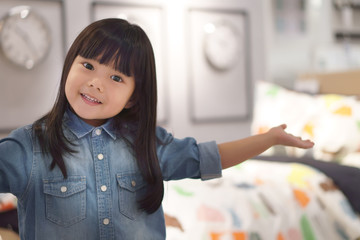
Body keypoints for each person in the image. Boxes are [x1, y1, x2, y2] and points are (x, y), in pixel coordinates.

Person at [0, 18, 314, 240]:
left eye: (117, 78)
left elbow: (208, 157)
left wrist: (269, 138)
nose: (96, 82)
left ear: (134, 96)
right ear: (70, 65)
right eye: (88, 65)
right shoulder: (29, 147)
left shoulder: (147, 144)